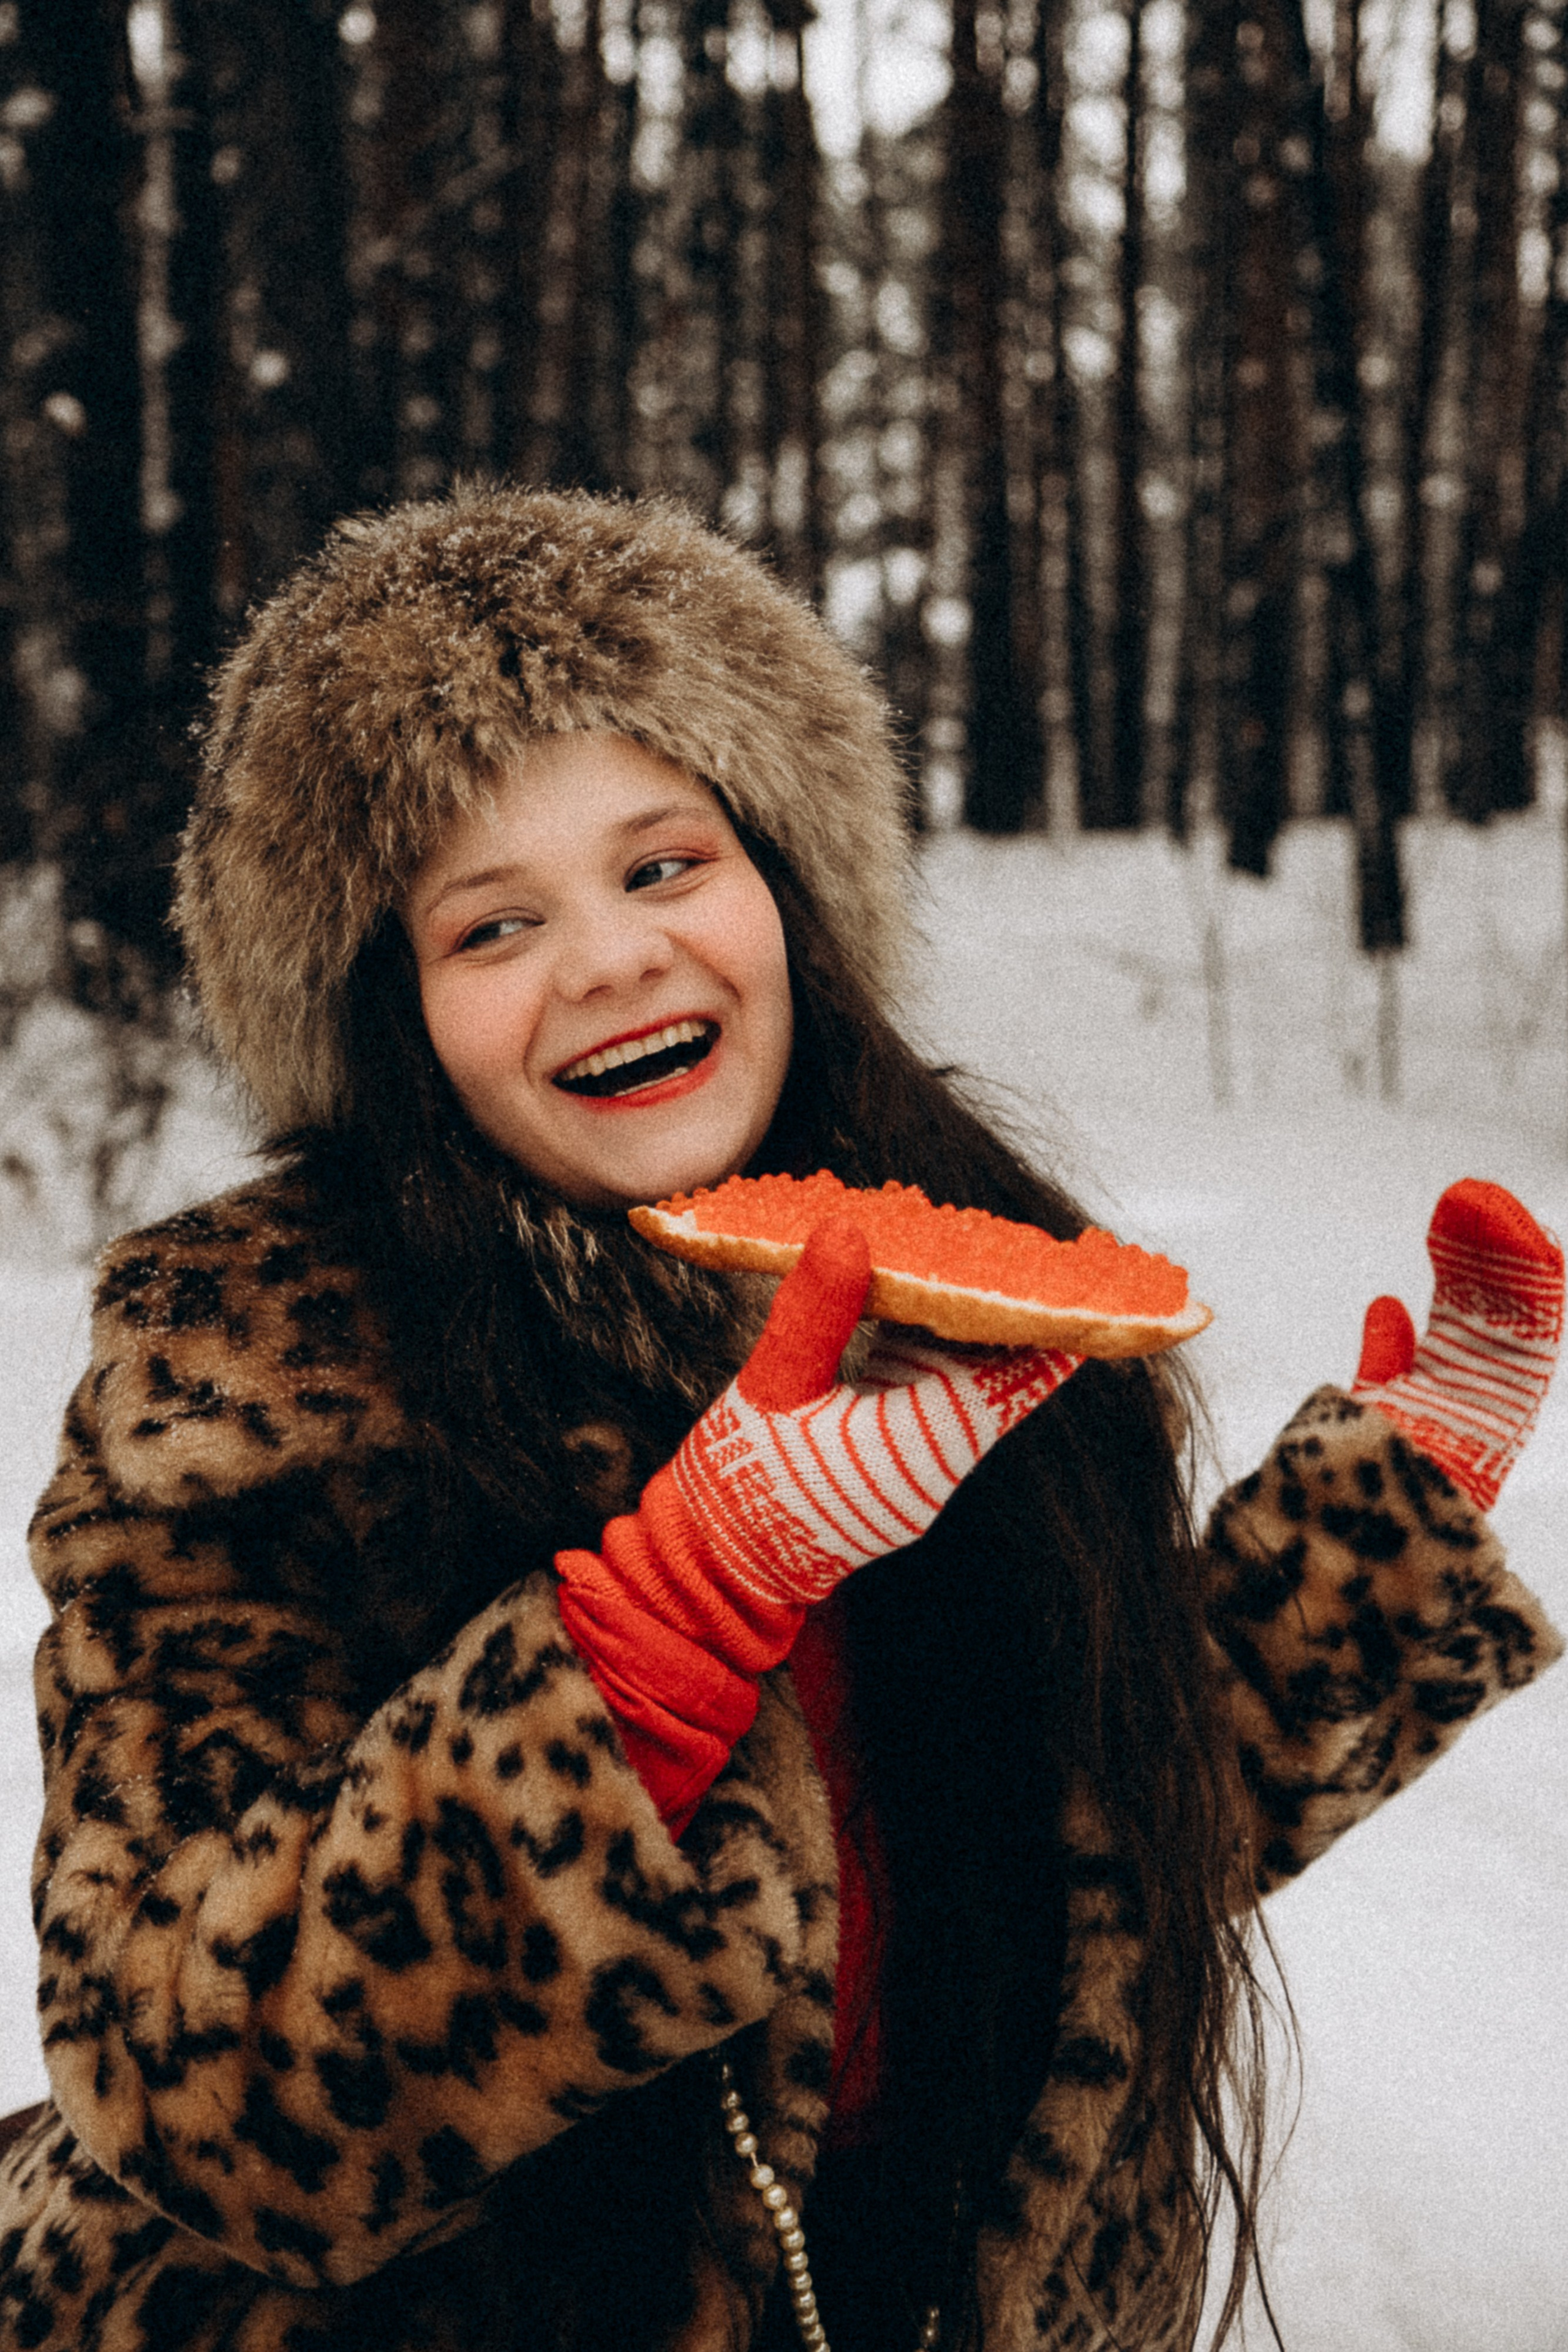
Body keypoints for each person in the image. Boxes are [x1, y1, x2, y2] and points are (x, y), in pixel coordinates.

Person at [0, 483, 1560, 2352]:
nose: (611, 957)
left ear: (787, 890)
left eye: (666, 866)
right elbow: (195, 2082)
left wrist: (1372, 1546)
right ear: (391, 1017)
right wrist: (690, 1597)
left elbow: (1089, 1849)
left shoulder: (965, 1256)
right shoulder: (247, 1381)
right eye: (493, 927)